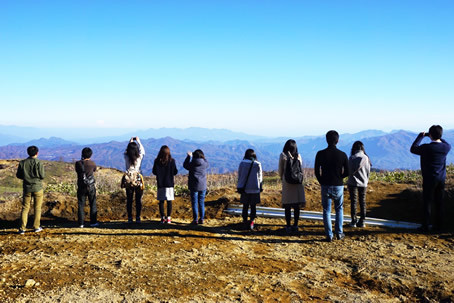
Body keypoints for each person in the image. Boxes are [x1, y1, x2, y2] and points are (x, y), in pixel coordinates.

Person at [410, 125, 451, 232]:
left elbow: (413, 148)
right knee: (439, 203)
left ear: (431, 134)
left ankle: (425, 226)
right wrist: (436, 136)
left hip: (429, 179)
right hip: (441, 179)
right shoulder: (446, 147)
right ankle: (439, 226)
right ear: (440, 135)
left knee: (427, 203)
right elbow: (445, 142)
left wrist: (421, 136)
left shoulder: (426, 148)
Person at [315, 130, 349, 242]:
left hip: (325, 184)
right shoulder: (343, 155)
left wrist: (321, 181)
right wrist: (340, 177)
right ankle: (339, 233)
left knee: (326, 210)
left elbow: (316, 171)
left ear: (326, 140)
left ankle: (329, 235)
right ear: (337, 140)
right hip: (338, 185)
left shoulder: (320, 154)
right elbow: (347, 171)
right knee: (339, 209)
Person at [16, 146, 45, 234]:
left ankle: (22, 228)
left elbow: (19, 175)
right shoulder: (39, 163)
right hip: (38, 187)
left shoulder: (22, 163)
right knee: (37, 208)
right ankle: (36, 227)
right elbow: (42, 176)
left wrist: (26, 178)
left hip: (27, 188)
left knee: (25, 208)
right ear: (37, 153)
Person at [278, 139, 306, 233]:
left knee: (288, 206)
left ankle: (288, 226)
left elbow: (280, 171)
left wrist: (283, 178)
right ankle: (296, 225)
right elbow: (300, 168)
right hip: (297, 183)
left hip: (287, 183)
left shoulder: (283, 155)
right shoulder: (298, 156)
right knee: (296, 206)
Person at [237, 149, 263, 230]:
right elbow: (260, 177)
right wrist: (260, 187)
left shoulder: (242, 163)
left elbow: (240, 175)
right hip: (255, 188)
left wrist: (239, 185)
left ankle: (244, 221)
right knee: (253, 206)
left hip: (244, 188)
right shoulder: (258, 164)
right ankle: (252, 221)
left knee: (245, 206)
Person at [347, 141, 371, 228]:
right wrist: (365, 180)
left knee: (354, 202)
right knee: (362, 202)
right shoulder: (366, 158)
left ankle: (353, 221)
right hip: (363, 183)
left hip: (353, 182)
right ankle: (362, 221)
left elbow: (349, 171)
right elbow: (368, 172)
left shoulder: (352, 158)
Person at [152, 145, 178, 224]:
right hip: (169, 183)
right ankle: (169, 218)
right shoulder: (172, 161)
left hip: (161, 183)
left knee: (161, 201)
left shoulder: (157, 161)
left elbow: (154, 172)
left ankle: (162, 218)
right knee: (169, 201)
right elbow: (175, 172)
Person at [183, 149, 209, 225]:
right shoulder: (204, 164)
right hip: (202, 186)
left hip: (193, 186)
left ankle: (195, 219)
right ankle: (202, 219)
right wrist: (203, 157)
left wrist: (188, 156)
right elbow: (207, 162)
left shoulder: (191, 164)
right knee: (201, 202)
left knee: (194, 203)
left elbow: (185, 165)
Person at [124, 137, 145, 223]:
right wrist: (138, 141)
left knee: (129, 199)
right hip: (137, 179)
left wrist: (130, 142)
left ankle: (129, 218)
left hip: (128, 179)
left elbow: (126, 151)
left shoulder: (126, 157)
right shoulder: (139, 157)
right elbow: (143, 151)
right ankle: (138, 217)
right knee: (138, 199)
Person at [75, 147, 98, 228]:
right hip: (91, 186)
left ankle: (81, 223)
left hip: (81, 186)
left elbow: (78, 171)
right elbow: (94, 170)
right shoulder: (92, 163)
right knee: (93, 203)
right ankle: (93, 222)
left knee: (81, 204)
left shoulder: (78, 163)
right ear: (90, 155)